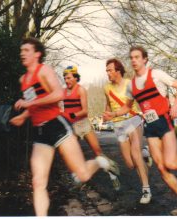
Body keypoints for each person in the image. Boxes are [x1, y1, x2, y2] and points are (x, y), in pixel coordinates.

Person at [9, 37, 119, 216]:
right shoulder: (24, 79)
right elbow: (33, 103)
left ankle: (98, 161)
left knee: (82, 175)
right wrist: (23, 116)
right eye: (21, 51)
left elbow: (58, 94)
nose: (22, 53)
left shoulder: (43, 70)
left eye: (26, 50)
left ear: (37, 54)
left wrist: (29, 105)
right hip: (40, 132)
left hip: (57, 126)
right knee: (38, 182)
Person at [104, 46, 177, 215]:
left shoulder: (156, 74)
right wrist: (112, 114)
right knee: (161, 167)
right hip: (150, 127)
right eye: (131, 57)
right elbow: (126, 108)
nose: (134, 60)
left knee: (170, 163)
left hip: (164, 122)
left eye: (137, 57)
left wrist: (175, 105)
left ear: (145, 59)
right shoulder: (132, 85)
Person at [62, 65, 120, 190]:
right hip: (72, 127)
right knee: (71, 154)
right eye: (65, 78)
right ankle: (80, 178)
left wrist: (71, 114)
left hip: (83, 124)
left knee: (98, 152)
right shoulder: (63, 92)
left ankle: (112, 174)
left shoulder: (81, 90)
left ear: (76, 78)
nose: (67, 81)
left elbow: (85, 111)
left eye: (69, 78)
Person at [103, 58, 152, 204]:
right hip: (118, 126)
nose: (107, 73)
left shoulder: (130, 84)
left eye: (110, 70)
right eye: (106, 71)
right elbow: (108, 105)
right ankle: (145, 152)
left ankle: (146, 190)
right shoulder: (106, 88)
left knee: (135, 154)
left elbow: (143, 100)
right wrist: (105, 115)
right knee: (131, 164)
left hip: (132, 120)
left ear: (118, 71)